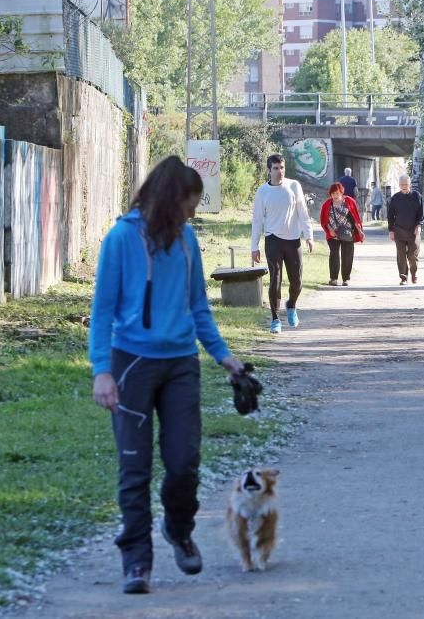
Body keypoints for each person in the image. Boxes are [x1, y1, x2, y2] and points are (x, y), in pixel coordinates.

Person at [89, 156, 245, 595]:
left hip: (180, 364)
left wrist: (224, 357)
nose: (193, 213)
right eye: (189, 205)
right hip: (131, 364)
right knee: (134, 467)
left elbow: (198, 306)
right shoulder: (121, 238)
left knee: (183, 462)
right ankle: (136, 560)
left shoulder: (188, 240)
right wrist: (102, 371)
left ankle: (179, 528)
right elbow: (102, 311)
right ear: (170, 199)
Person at [251, 154, 315, 334]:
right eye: (276, 168)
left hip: (293, 240)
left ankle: (291, 305)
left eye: (282, 168)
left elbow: (303, 213)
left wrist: (309, 236)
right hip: (273, 240)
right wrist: (254, 247)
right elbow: (257, 220)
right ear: (269, 170)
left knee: (297, 281)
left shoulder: (294, 186)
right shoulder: (262, 191)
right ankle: (275, 319)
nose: (280, 172)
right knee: (275, 279)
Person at [319, 182, 365, 286]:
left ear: (341, 192)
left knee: (347, 256)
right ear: (330, 194)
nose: (335, 195)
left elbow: (355, 217)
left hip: (347, 232)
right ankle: (333, 278)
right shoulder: (327, 204)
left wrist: (360, 230)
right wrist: (330, 230)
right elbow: (323, 220)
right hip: (333, 234)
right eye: (333, 193)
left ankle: (346, 279)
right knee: (334, 255)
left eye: (337, 193)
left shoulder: (349, 201)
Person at [387, 173, 424, 285]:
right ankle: (403, 277)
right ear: (399, 185)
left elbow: (421, 214)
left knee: (413, 255)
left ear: (409, 184)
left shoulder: (417, 196)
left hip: (413, 231)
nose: (404, 186)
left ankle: (414, 273)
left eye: (406, 184)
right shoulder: (395, 198)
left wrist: (419, 226)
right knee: (401, 255)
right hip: (399, 231)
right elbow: (390, 216)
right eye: (402, 184)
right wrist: (391, 230)